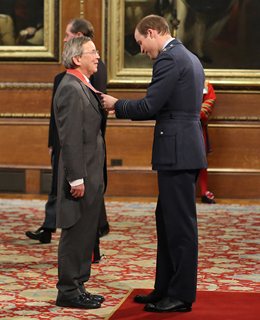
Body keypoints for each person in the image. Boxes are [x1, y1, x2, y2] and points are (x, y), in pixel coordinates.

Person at [102, 14, 207, 313]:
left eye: (141, 43)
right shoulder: (189, 56)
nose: (142, 51)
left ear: (152, 32)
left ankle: (181, 295)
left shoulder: (169, 59)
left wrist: (116, 105)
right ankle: (165, 288)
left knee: (180, 227)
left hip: (177, 151)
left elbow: (150, 105)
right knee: (167, 221)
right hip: (184, 148)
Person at [25, 18, 110, 249]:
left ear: (80, 35)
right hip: (70, 142)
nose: (63, 39)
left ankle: (91, 243)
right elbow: (61, 117)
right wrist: (54, 141)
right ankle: (52, 227)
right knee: (67, 196)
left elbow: (96, 110)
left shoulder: (94, 70)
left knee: (82, 201)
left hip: (86, 146)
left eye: (67, 35)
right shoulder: (69, 80)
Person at [54, 36, 106, 309]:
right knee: (75, 232)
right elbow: (70, 138)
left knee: (86, 232)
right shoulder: (71, 88)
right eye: (92, 52)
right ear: (77, 58)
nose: (97, 56)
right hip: (80, 176)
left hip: (91, 173)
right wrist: (76, 178)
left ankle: (79, 285)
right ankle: (68, 291)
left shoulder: (83, 84)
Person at [199, 80, 216, 203]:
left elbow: (208, 105)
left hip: (197, 127)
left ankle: (204, 191)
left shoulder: (205, 84)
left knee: (201, 160)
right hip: (178, 124)